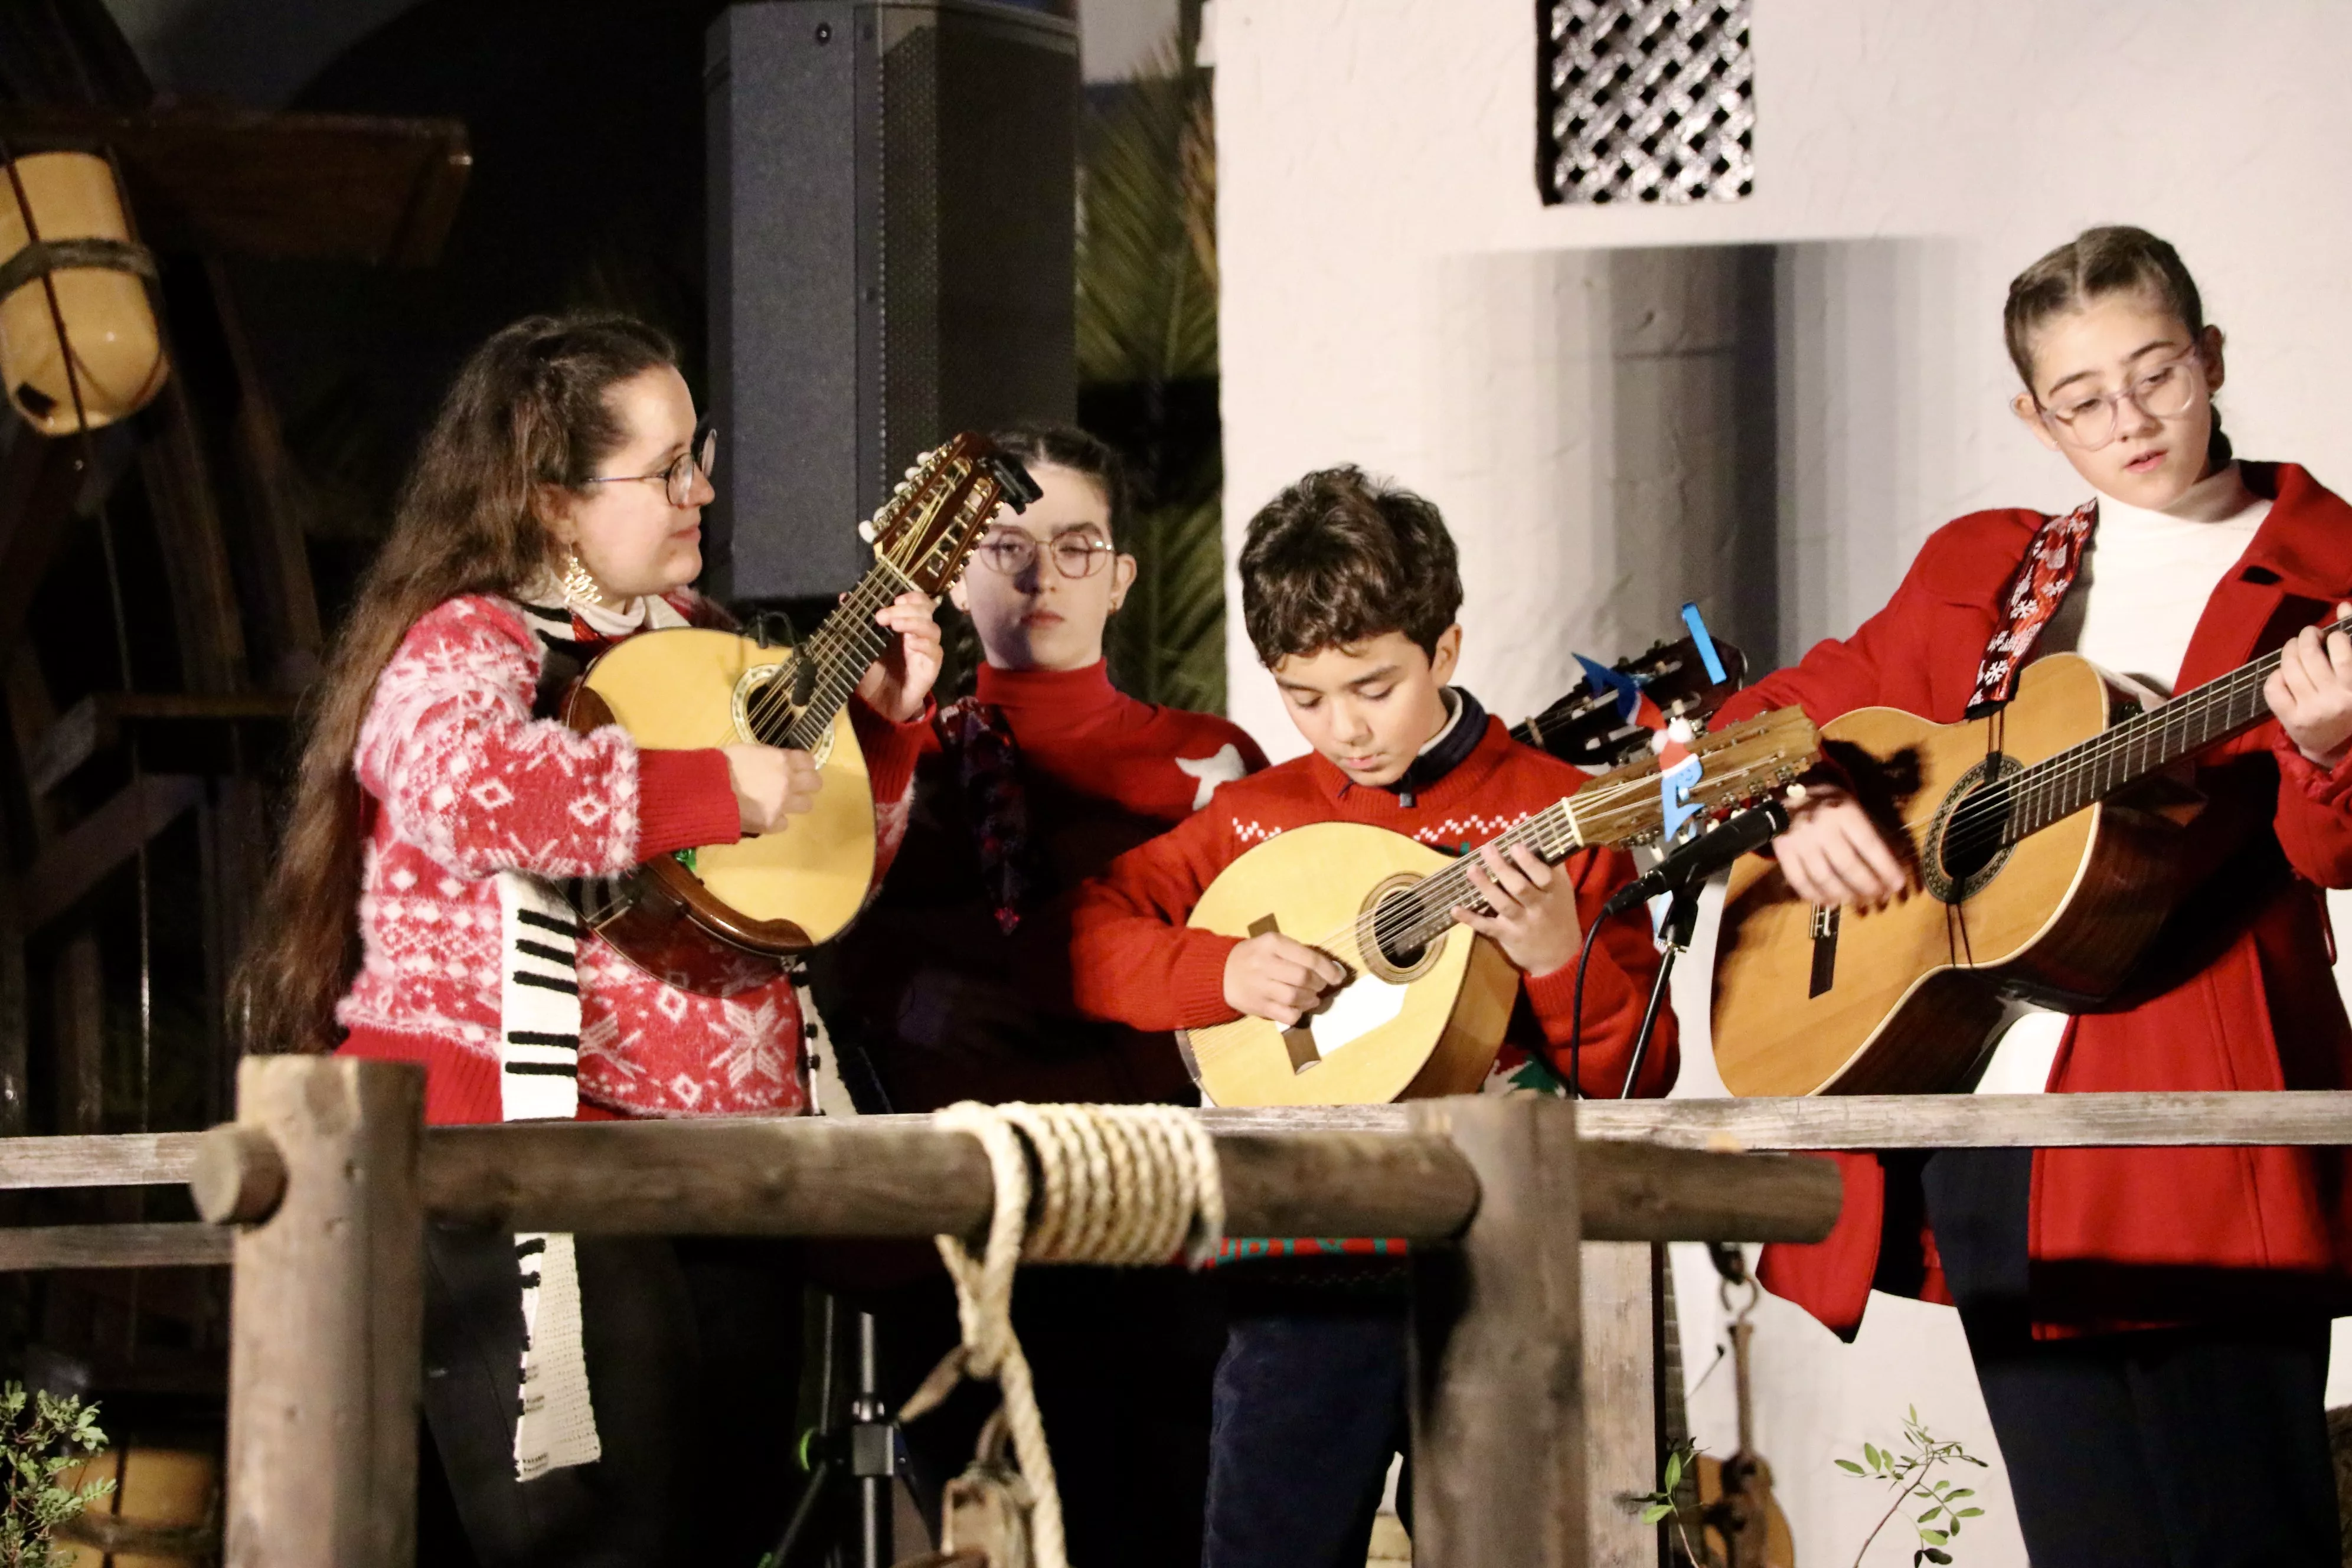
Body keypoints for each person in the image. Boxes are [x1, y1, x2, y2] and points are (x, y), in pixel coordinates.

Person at [233, 312, 941, 1566]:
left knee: (722, 1525)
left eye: (699, 452)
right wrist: (709, 786)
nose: (702, 489)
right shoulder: (468, 639)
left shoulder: (698, 643)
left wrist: (882, 736)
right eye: (666, 467)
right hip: (528, 1155)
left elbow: (792, 885)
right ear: (554, 502)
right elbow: (460, 782)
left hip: (722, 1157)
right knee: (606, 1537)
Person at [1715, 226, 2352, 1566]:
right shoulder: (1988, 564)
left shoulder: (2328, 569)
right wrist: (1808, 796)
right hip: (1996, 1128)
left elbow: (2331, 856)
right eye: (2082, 399)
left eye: (2158, 373)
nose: (2129, 420)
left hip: (2202, 1135)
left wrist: (2330, 749)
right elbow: (1773, 712)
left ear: (2213, 354)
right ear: (2034, 414)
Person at [1063, 465, 1675, 1568]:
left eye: (1375, 686)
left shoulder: (1553, 807)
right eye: (1305, 698)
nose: (1343, 728)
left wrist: (1552, 961)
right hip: (1306, 1259)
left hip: (1508, 1264)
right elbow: (1088, 936)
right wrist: (1220, 973)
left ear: (1443, 649)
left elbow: (1642, 1076)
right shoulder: (1257, 822)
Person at [821, 423, 1265, 1567]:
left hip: (1156, 1197)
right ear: (959, 573)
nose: (1042, 575)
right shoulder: (896, 752)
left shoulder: (1208, 759)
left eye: (1078, 547)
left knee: (1167, 1514)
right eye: (1009, 545)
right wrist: (917, 998)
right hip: (961, 1200)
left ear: (1122, 576)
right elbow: (808, 938)